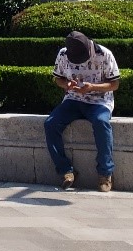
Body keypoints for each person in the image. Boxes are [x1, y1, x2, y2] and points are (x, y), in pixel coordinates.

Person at [44, 30, 121, 192]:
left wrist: (92, 87)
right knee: (50, 124)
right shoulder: (63, 54)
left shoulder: (104, 54)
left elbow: (114, 84)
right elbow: (58, 78)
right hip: (73, 100)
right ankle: (66, 171)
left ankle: (105, 173)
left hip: (100, 101)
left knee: (101, 122)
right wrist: (67, 85)